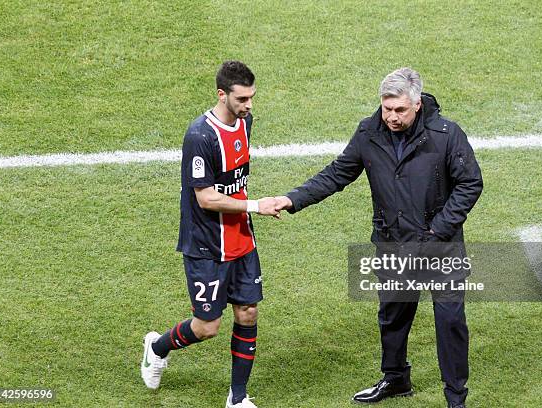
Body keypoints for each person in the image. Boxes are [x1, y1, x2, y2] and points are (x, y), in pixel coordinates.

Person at [274, 67, 483, 408]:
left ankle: (455, 399)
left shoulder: (446, 134)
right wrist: (292, 199)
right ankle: (396, 378)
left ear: (416, 104)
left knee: (450, 321)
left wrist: (438, 230)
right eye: (387, 108)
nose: (391, 117)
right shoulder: (369, 132)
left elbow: (470, 183)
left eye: (399, 110)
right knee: (393, 315)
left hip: (440, 247)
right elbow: (337, 174)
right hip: (393, 244)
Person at [141, 60, 280, 408]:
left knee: (248, 313)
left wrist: (247, 210)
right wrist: (255, 205)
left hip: (242, 240)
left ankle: (237, 397)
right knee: (207, 326)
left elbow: (235, 176)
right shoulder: (199, 136)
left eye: (251, 97)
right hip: (207, 247)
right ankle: (157, 348)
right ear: (222, 94)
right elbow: (205, 198)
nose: (249, 105)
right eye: (242, 98)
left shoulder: (246, 123)